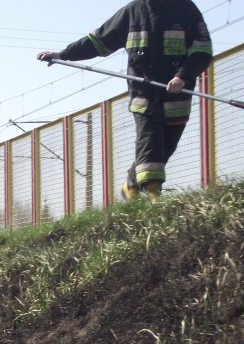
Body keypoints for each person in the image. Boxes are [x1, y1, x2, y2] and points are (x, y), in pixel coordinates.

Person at [37, 0, 212, 202]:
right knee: (150, 143)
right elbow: (98, 41)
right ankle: (155, 198)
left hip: (176, 99)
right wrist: (64, 54)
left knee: (164, 149)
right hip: (144, 97)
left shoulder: (185, 9)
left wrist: (182, 76)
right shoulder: (131, 12)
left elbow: (202, 51)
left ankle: (130, 185)